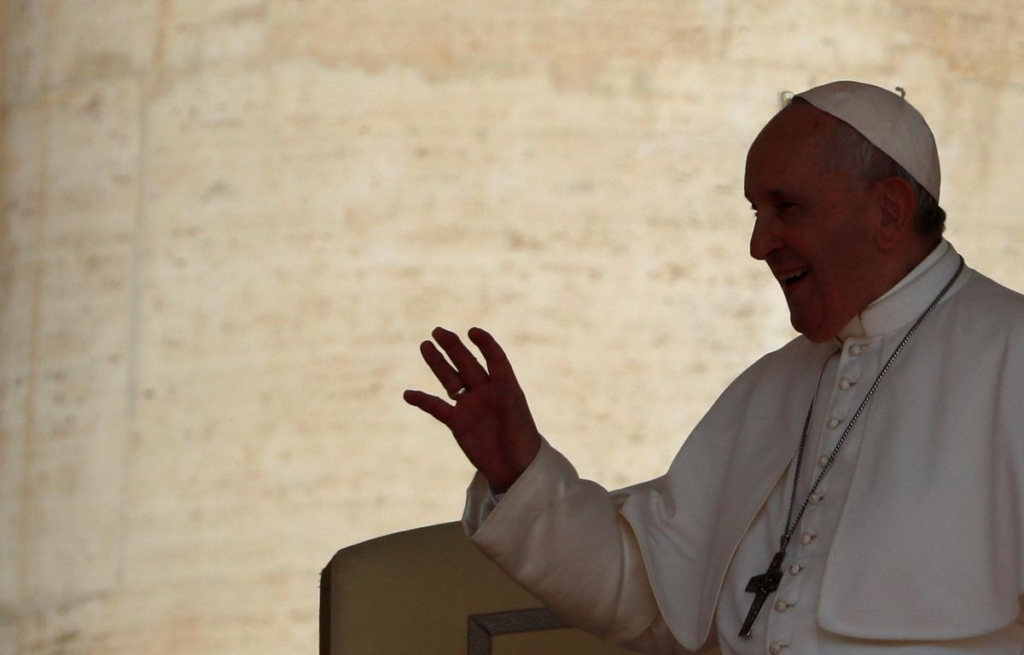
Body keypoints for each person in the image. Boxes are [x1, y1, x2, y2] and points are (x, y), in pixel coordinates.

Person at [403, 81, 1024, 654]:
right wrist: (521, 472)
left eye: (786, 208)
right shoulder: (774, 384)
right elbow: (650, 601)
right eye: (755, 211)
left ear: (887, 212)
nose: (760, 244)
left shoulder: (1011, 354)